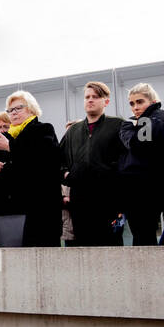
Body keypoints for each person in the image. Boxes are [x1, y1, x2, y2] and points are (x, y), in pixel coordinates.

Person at [0, 91, 61, 247]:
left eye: (18, 108)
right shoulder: (8, 137)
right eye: (10, 110)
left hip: (38, 213)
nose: (14, 113)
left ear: (31, 109)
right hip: (9, 216)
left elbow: (45, 162)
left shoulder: (43, 129)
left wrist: (10, 147)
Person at [61, 82, 124, 246]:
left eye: (95, 97)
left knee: (111, 249)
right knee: (85, 252)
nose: (90, 100)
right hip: (79, 201)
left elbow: (125, 160)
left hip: (108, 200)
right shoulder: (73, 131)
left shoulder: (117, 125)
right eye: (87, 97)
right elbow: (57, 160)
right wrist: (67, 175)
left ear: (106, 101)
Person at [118, 83, 164, 246]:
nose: (135, 107)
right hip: (138, 186)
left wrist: (127, 128)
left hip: (146, 187)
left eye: (140, 102)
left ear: (152, 100)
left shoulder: (156, 115)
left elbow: (139, 145)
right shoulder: (146, 120)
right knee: (141, 235)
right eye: (132, 103)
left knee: (143, 236)